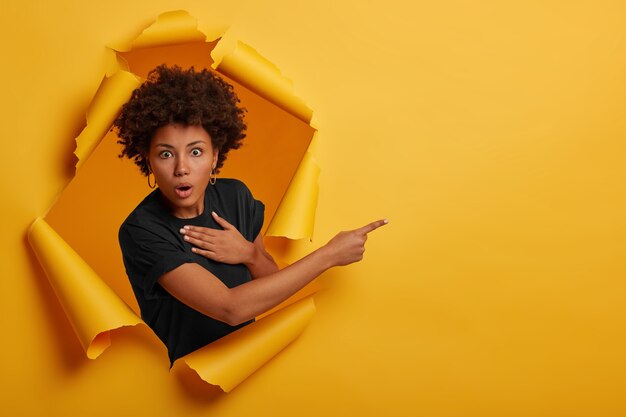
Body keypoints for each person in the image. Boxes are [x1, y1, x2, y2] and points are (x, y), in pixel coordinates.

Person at [113, 65, 387, 365]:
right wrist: (329, 255)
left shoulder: (235, 196)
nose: (181, 168)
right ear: (148, 160)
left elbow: (270, 283)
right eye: (166, 154)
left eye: (196, 152)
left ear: (215, 156)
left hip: (251, 362)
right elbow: (230, 309)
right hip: (189, 380)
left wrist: (249, 255)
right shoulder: (141, 230)